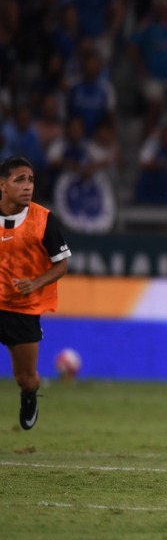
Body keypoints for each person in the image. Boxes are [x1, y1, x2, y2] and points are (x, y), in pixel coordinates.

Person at [0, 156, 72, 430]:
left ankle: (29, 396)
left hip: (23, 310)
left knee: (26, 377)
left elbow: (62, 263)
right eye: (20, 180)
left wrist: (36, 282)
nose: (28, 186)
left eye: (30, 180)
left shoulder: (43, 220)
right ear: (3, 185)